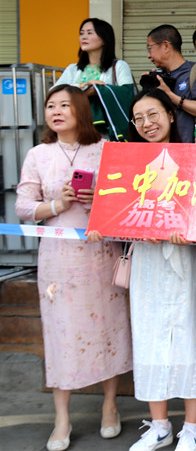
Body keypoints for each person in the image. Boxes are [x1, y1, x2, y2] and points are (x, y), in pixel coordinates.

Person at [91, 88, 196, 451]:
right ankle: (160, 425)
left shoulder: (194, 159)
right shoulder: (124, 163)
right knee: (149, 338)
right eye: (139, 118)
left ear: (170, 114)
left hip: (183, 261)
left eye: (154, 114)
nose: (147, 123)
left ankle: (191, 427)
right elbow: (115, 213)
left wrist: (189, 234)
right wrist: (108, 226)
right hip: (146, 263)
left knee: (189, 334)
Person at [15, 85, 133, 451]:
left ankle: (110, 406)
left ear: (81, 110)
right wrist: (56, 205)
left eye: (65, 105)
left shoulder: (106, 150)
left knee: (108, 328)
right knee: (61, 334)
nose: (56, 111)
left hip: (101, 255)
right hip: (59, 260)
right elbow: (22, 207)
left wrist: (99, 199)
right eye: (51, 105)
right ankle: (61, 418)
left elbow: (127, 202)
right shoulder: (38, 154)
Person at [57, 18, 135, 140]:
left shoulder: (119, 66)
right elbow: (55, 93)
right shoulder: (73, 69)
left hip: (107, 133)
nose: (84, 37)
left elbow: (128, 93)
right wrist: (84, 87)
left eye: (89, 33)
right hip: (75, 129)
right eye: (81, 33)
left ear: (104, 39)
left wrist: (100, 90)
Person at [146, 24, 196, 143]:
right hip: (164, 149)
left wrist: (171, 96)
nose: (148, 55)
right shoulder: (160, 77)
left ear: (165, 46)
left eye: (150, 48)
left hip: (191, 147)